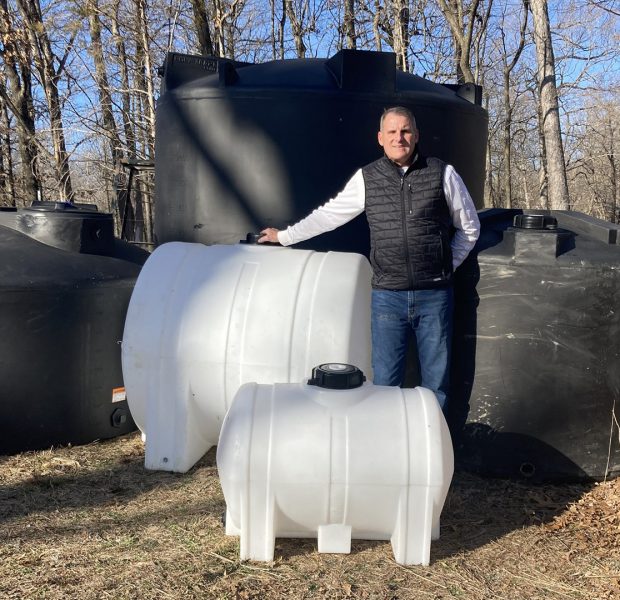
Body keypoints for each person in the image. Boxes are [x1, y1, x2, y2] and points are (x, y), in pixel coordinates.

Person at [258, 106, 479, 410]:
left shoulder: (442, 173)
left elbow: (469, 227)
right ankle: (386, 439)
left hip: (434, 296)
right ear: (380, 138)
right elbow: (329, 215)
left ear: (416, 135)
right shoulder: (368, 178)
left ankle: (431, 440)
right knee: (385, 383)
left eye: (405, 131)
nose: (399, 138)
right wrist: (285, 236)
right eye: (392, 132)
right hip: (388, 298)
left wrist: (445, 265)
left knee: (436, 384)